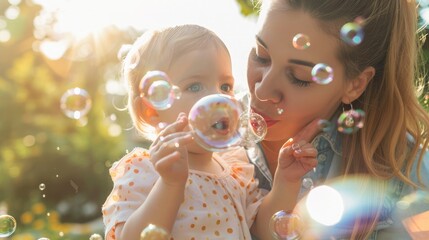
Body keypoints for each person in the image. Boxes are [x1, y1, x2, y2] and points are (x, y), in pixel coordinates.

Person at [101, 24, 318, 240]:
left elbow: (264, 230)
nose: (220, 98)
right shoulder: (144, 169)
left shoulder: (234, 170)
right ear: (151, 111)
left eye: (225, 86)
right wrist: (170, 184)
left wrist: (285, 181)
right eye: (194, 86)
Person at [240, 0, 429, 239]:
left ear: (355, 84)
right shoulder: (202, 135)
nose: (262, 91)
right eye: (261, 55)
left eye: (299, 77)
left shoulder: (410, 177)